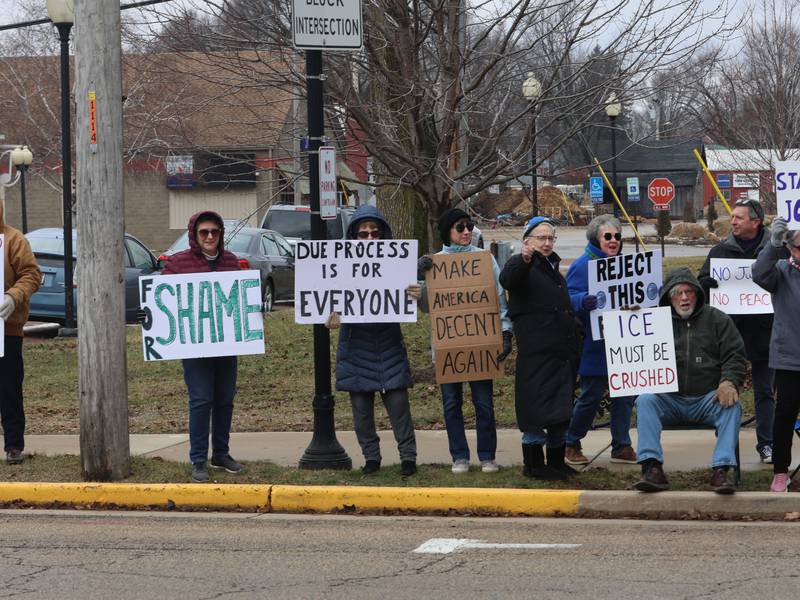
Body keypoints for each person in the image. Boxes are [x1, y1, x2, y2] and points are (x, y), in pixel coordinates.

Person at [416, 208, 512, 474]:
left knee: (484, 403)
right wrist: (421, 278)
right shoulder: (434, 263)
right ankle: (459, 456)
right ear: (448, 231)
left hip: (481, 345)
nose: (467, 231)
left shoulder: (485, 260)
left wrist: (505, 331)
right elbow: (426, 307)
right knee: (451, 404)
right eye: (460, 227)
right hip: (448, 348)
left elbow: (499, 297)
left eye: (470, 226)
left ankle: (487, 456)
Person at [325, 205, 418, 477]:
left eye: (374, 233)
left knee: (399, 407)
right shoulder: (338, 268)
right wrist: (327, 320)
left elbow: (419, 304)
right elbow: (324, 301)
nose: (368, 239)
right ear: (352, 237)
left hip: (388, 344)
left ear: (383, 235)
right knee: (361, 412)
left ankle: (408, 458)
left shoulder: (399, 265)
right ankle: (371, 458)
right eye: (362, 234)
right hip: (355, 346)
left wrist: (418, 294)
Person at [635, 267, 746, 494]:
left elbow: (735, 355)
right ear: (669, 296)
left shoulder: (717, 319)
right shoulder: (654, 320)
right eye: (678, 293)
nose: (684, 298)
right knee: (645, 400)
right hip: (669, 399)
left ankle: (721, 470)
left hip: (706, 398)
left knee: (732, 405)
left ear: (697, 293)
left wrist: (729, 381)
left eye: (689, 292)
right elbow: (633, 344)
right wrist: (630, 319)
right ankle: (652, 468)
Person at [161, 211, 244, 483]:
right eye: (204, 232)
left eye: (215, 232)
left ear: (221, 235)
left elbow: (241, 300)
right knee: (201, 401)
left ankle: (221, 453)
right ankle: (198, 459)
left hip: (225, 345)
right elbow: (162, 300)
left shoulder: (232, 262)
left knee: (224, 400)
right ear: (194, 235)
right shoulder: (177, 263)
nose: (210, 237)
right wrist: (148, 314)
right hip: (195, 349)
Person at [499, 217, 582, 480]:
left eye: (550, 238)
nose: (546, 243)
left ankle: (556, 462)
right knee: (536, 415)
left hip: (560, 355)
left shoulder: (552, 269)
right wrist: (522, 259)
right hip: (537, 357)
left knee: (559, 414)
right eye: (541, 238)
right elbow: (508, 279)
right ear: (527, 241)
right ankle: (534, 465)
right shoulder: (523, 265)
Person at [698, 198, 774, 463]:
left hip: (767, 333)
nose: (733, 222)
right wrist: (704, 284)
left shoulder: (774, 251)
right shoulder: (720, 252)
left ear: (756, 222)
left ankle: (767, 444)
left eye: (739, 218)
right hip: (730, 335)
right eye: (732, 217)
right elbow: (698, 289)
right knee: (728, 390)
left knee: (765, 392)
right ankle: (726, 447)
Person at [564, 215, 636, 466]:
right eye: (608, 236)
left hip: (624, 339)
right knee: (591, 395)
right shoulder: (583, 265)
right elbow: (568, 297)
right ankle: (571, 441)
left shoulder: (627, 264)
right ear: (596, 238)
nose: (614, 240)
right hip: (594, 343)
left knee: (625, 394)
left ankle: (621, 444)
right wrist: (582, 300)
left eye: (617, 236)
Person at [752, 218, 800, 492]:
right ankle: (781, 471)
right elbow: (758, 273)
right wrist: (771, 245)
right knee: (784, 416)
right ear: (791, 249)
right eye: (799, 247)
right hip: (789, 359)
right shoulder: (781, 272)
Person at [0, 199, 41, 465]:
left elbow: (31, 274)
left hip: (6, 329)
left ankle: (14, 445)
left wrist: (13, 297)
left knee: (8, 389)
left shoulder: (14, 240)